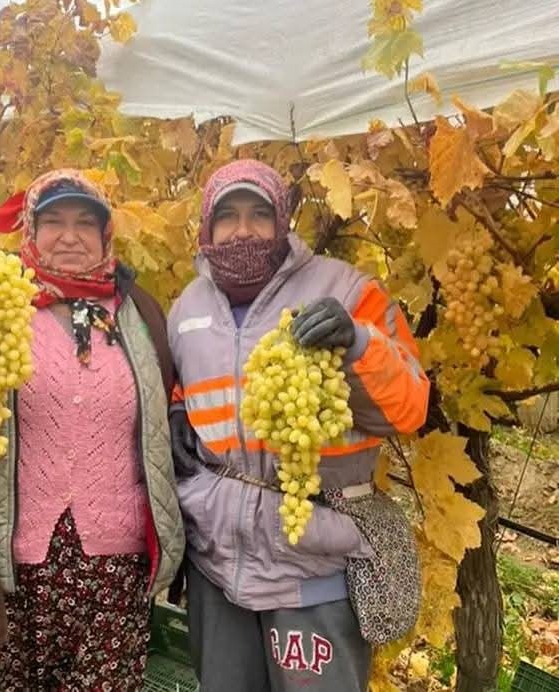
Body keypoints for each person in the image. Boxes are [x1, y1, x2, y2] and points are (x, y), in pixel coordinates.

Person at [0, 168, 184, 692]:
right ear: (30, 230)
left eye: (85, 222)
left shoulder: (141, 313)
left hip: (113, 572)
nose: (70, 235)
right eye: (53, 220)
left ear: (107, 235)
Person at [168, 159, 429, 692]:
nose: (243, 230)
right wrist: (177, 409)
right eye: (228, 216)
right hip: (216, 563)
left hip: (314, 566)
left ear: (283, 220)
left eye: (259, 214)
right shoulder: (186, 307)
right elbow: (194, 380)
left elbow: (410, 408)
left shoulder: (349, 290)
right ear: (206, 226)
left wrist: (358, 342)